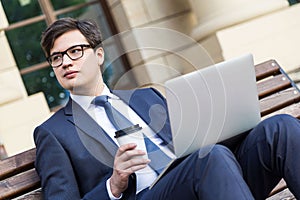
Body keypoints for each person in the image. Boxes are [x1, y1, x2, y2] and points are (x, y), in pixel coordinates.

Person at [34, 17, 300, 200]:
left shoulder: (144, 97)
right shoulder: (53, 133)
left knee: (279, 128)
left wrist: (223, 124)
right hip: (150, 193)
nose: (66, 62)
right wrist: (113, 184)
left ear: (99, 55)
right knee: (210, 158)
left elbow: (189, 148)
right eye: (57, 58)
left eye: (75, 51)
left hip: (209, 181)